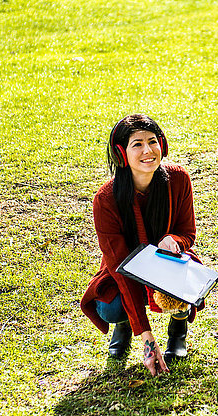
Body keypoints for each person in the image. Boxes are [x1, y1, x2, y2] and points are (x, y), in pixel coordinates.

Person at [80, 114, 201, 376]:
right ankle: (123, 324)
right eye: (137, 144)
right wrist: (146, 339)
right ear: (121, 153)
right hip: (125, 269)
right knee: (111, 306)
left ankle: (178, 329)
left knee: (186, 286)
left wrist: (175, 240)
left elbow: (187, 232)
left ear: (163, 145)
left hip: (167, 261)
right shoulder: (106, 199)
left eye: (153, 142)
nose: (148, 151)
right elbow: (120, 267)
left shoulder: (179, 179)